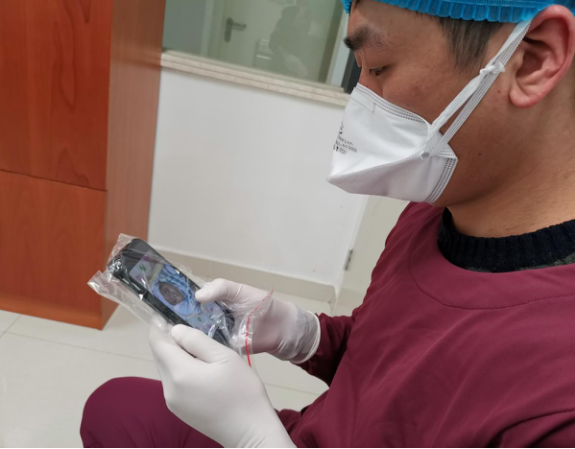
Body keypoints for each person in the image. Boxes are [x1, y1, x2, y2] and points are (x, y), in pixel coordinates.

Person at [80, 0, 575, 446]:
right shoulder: (434, 210)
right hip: (322, 431)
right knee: (115, 409)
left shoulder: (559, 399)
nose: (360, 100)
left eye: (378, 66)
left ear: (533, 59)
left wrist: (256, 439)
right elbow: (385, 362)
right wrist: (302, 334)